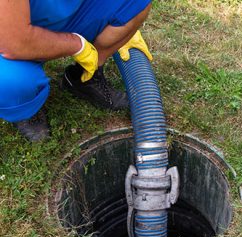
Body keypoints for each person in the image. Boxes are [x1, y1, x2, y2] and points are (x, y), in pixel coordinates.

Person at [0, 0, 153, 141]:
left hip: (57, 11)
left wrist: (125, 21)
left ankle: (86, 76)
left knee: (135, 4)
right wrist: (77, 45)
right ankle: (26, 108)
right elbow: (14, 44)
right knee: (12, 82)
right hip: (8, 35)